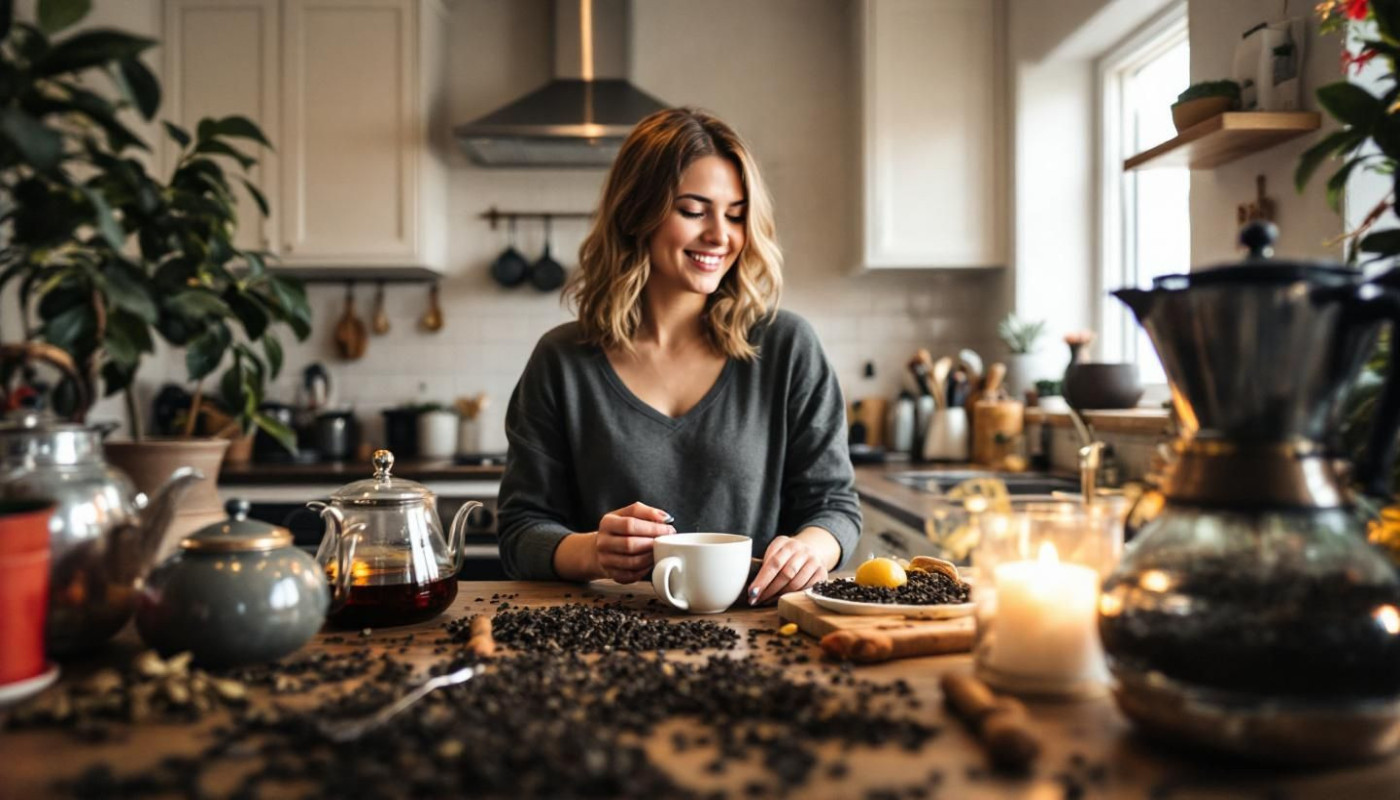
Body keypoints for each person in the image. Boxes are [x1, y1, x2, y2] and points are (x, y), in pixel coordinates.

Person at [496, 107, 861, 605]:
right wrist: (594, 551)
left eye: (736, 215)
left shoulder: (788, 347)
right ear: (636, 214)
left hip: (758, 627)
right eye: (693, 211)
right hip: (601, 630)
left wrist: (810, 549)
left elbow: (835, 506)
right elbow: (520, 531)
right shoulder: (561, 360)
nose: (720, 235)